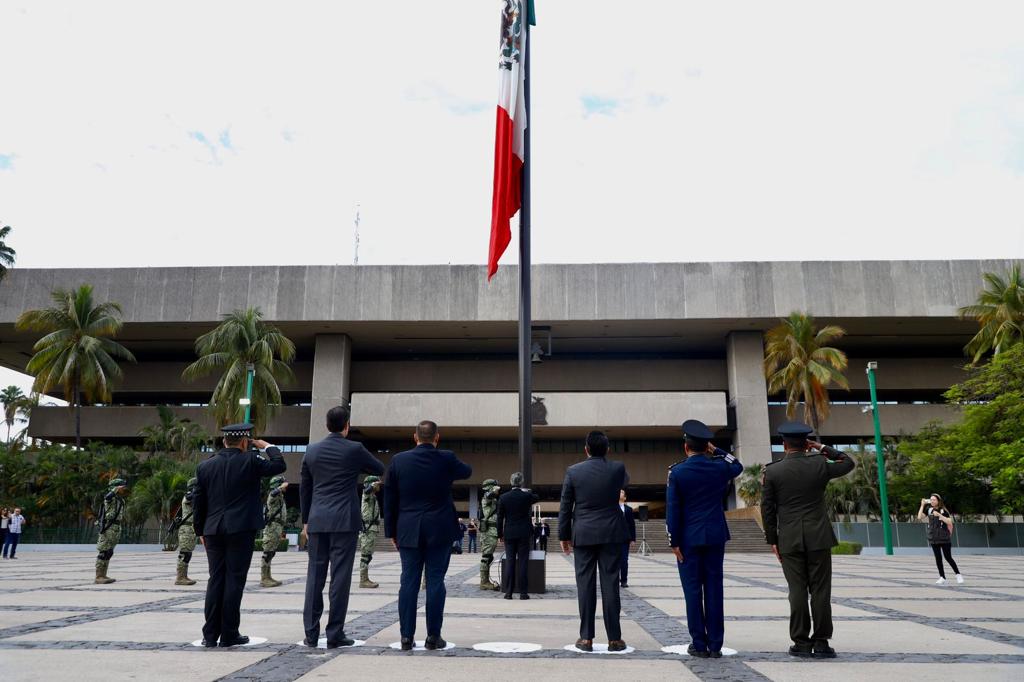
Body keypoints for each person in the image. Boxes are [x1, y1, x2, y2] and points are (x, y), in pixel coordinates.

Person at [761, 421, 856, 659]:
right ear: (806, 444)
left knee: (797, 591)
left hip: (789, 537)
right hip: (819, 536)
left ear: (784, 445)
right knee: (821, 590)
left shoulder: (773, 471)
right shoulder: (820, 464)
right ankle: (821, 642)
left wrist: (773, 540)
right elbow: (847, 462)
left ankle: (801, 642)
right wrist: (821, 447)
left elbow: (767, 509)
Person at [193, 423, 286, 648]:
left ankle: (209, 635)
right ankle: (229, 634)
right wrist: (267, 446)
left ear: (225, 441)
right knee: (234, 580)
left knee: (216, 579)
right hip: (241, 529)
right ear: (245, 442)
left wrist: (200, 530)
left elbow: (199, 501)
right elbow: (279, 465)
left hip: (213, 530)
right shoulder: (251, 461)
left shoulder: (205, 466)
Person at [301, 406, 385, 647]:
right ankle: (335, 633)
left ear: (327, 425)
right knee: (340, 577)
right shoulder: (354, 449)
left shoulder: (312, 450)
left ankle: (311, 633)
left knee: (314, 576)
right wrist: (356, 466)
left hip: (317, 520)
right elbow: (379, 468)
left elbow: (305, 488)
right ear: (346, 425)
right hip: (344, 520)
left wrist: (306, 520)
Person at [384, 420, 472, 650]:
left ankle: (406, 637)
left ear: (415, 437)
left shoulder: (398, 460)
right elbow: (467, 471)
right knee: (435, 581)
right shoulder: (447, 458)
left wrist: (391, 530)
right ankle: (433, 636)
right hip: (439, 528)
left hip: (408, 528)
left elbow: (389, 497)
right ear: (437, 437)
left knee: (408, 582)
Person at [665, 420, 743, 658]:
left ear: (686, 447)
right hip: (715, 536)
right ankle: (715, 644)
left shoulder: (677, 472)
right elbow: (737, 465)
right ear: (706, 446)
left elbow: (673, 510)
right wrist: (716, 450)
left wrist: (673, 541)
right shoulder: (719, 467)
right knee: (714, 589)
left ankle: (699, 644)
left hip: (688, 539)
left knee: (692, 591)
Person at [558, 430, 630, 653]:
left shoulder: (573, 471)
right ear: (607, 449)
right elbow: (625, 481)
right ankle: (615, 639)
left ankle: (586, 638)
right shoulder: (618, 468)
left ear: (586, 449)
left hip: (584, 533)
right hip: (611, 532)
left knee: (585, 585)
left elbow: (565, 506)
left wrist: (563, 535)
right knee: (611, 585)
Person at [496, 472, 539, 599]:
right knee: (523, 562)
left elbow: (499, 518)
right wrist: (526, 491)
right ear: (521, 482)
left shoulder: (503, 497)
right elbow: (536, 497)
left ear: (511, 482)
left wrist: (499, 534)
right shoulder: (526, 496)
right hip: (524, 532)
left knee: (510, 562)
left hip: (509, 533)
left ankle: (508, 592)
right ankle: (523, 593)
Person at [918, 494, 962, 585]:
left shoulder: (943, 510)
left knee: (948, 557)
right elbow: (919, 517)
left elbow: (949, 521)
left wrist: (939, 515)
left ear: (938, 501)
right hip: (933, 538)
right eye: (931, 500)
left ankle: (958, 574)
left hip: (944, 538)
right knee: (938, 558)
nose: (932, 501)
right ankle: (942, 577)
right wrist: (922, 506)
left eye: (934, 500)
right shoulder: (929, 510)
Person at [260, 475, 289, 588]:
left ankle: (268, 576)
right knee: (267, 553)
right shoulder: (273, 495)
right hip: (272, 528)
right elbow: (272, 494)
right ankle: (264, 578)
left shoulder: (280, 497)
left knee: (271, 553)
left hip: (277, 527)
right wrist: (280, 487)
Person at [94, 481, 126, 581]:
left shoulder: (120, 499)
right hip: (108, 526)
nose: (123, 489)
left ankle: (103, 575)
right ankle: (99, 576)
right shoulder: (110, 498)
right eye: (122, 487)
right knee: (103, 552)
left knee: (109, 552)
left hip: (116, 527)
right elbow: (107, 497)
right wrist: (115, 489)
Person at [170, 477, 199, 585]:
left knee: (188, 553)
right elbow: (192, 496)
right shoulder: (188, 495)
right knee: (184, 553)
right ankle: (180, 577)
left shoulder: (192, 495)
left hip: (190, 529)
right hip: (186, 529)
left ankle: (184, 576)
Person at [358, 474, 383, 588]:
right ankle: (363, 580)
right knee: (365, 556)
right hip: (368, 529)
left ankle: (365, 578)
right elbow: (366, 490)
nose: (379, 487)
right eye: (378, 484)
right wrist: (373, 484)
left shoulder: (373, 496)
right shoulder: (367, 494)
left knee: (368, 555)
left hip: (372, 529)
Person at [478, 479, 501, 590]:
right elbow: (489, 494)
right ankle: (484, 582)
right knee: (486, 557)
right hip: (488, 532)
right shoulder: (486, 498)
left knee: (489, 557)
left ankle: (485, 581)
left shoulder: (492, 500)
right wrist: (495, 489)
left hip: (492, 531)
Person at [618, 490, 636, 588]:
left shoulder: (629, 509)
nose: (619, 493)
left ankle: (624, 580)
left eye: (622, 492)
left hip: (625, 539)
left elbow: (632, 525)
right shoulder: (611, 508)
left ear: (625, 497)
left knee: (624, 560)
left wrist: (633, 539)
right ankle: (614, 579)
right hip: (613, 539)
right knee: (613, 560)